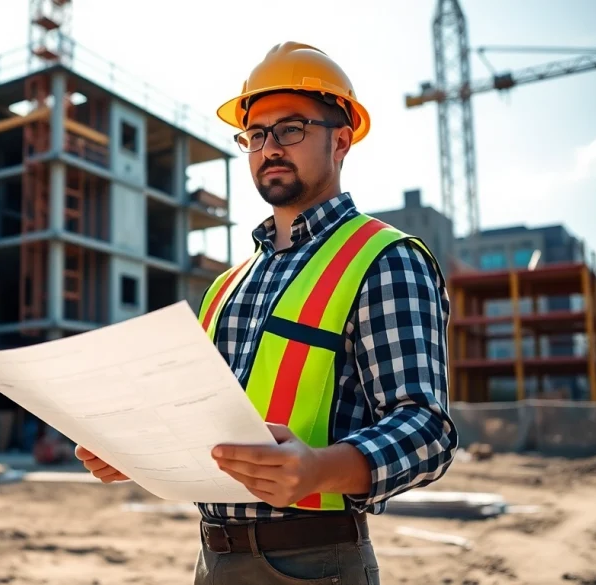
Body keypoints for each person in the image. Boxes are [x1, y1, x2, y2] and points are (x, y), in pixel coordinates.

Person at [75, 42, 458, 585]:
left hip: (315, 563)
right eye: (256, 134)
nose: (269, 147)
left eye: (291, 129)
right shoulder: (228, 286)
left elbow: (428, 431)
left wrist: (318, 469)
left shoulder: (384, 259)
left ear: (342, 139)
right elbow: (202, 423)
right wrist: (134, 451)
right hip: (213, 559)